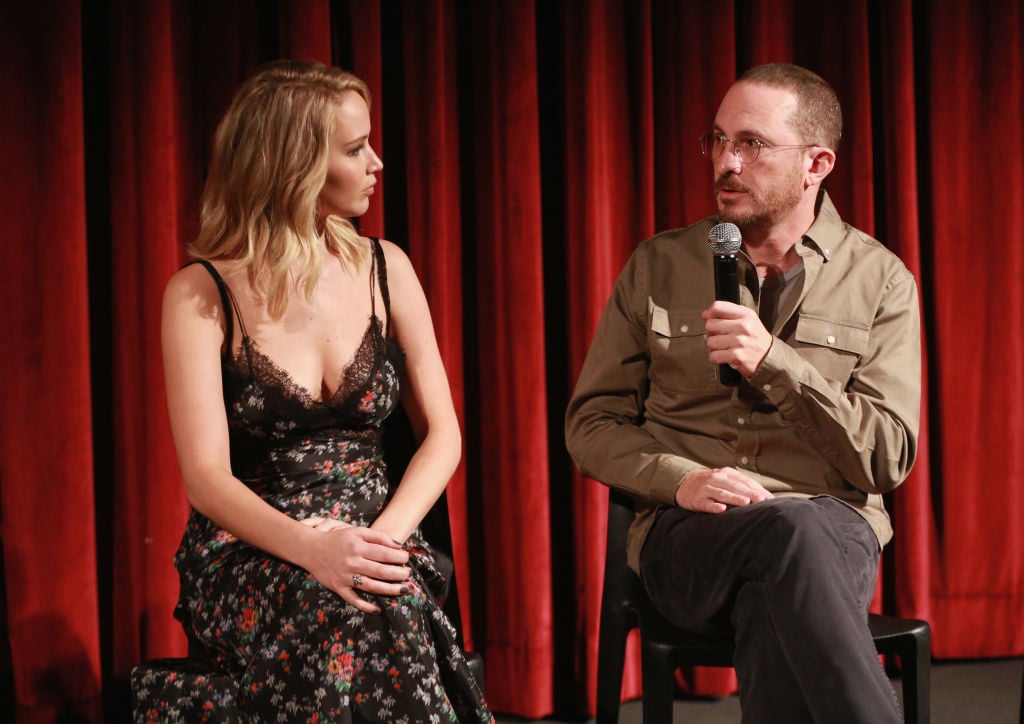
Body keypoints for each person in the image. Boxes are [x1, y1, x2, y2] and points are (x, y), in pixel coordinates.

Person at [131, 59, 492, 722]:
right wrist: (315, 551)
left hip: (382, 533)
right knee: (338, 611)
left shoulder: (390, 268)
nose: (378, 161)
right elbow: (206, 477)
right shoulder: (198, 293)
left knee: (378, 602)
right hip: (254, 546)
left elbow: (443, 435)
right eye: (356, 149)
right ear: (293, 166)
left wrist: (376, 545)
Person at [565, 63, 920, 723]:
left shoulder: (882, 281)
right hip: (691, 537)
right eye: (718, 140)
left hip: (832, 529)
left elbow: (887, 458)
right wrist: (679, 480)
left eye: (751, 144)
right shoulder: (659, 264)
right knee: (789, 545)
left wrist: (775, 363)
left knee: (788, 556)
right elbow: (592, 423)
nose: (725, 161)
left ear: (816, 163)